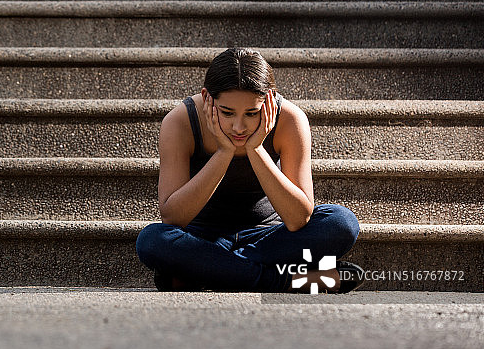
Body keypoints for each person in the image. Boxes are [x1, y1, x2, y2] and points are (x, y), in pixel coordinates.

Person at [136, 48, 364, 293]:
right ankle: (288, 281)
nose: (239, 127)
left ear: (269, 100)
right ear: (206, 97)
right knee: (152, 240)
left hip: (270, 238)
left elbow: (299, 218)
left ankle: (211, 271)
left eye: (252, 113)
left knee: (341, 223)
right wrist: (224, 153)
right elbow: (173, 218)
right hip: (202, 237)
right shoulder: (181, 121)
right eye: (227, 113)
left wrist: (256, 149)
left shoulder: (289, 119)